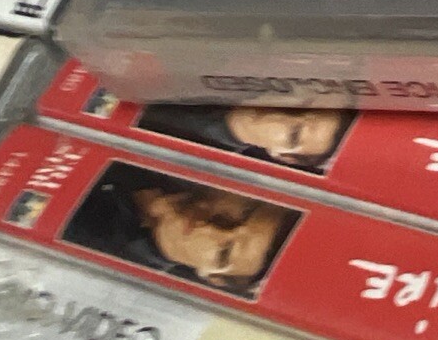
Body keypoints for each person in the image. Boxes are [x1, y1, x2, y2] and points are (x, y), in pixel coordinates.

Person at [61, 162, 296, 297]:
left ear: (212, 278)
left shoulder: (98, 256)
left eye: (223, 252)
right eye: (243, 212)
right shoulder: (179, 160)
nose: (210, 228)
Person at [134, 103, 353, 172]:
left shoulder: (199, 161)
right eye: (302, 106)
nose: (281, 115)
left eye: (293, 133)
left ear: (283, 157)